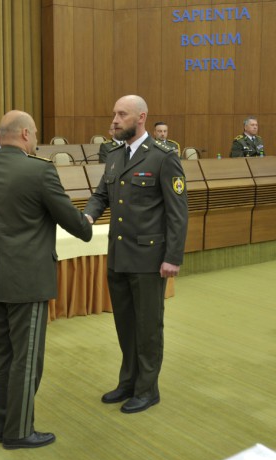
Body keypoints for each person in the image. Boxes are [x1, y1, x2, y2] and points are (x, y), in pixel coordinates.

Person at [0, 110, 92, 449]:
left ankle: (2, 425)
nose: (36, 139)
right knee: (27, 357)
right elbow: (72, 221)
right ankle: (19, 431)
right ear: (24, 135)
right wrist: (88, 220)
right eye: (35, 133)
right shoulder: (39, 171)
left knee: (0, 354)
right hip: (27, 279)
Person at [84, 95, 188, 414]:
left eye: (121, 114)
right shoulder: (115, 156)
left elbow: (177, 212)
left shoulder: (163, 157)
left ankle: (147, 389)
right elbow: (102, 193)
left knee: (148, 326)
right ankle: (128, 381)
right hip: (119, 256)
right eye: (113, 113)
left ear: (141, 117)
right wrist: (87, 216)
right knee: (125, 324)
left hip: (148, 259)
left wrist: (173, 257)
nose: (114, 120)